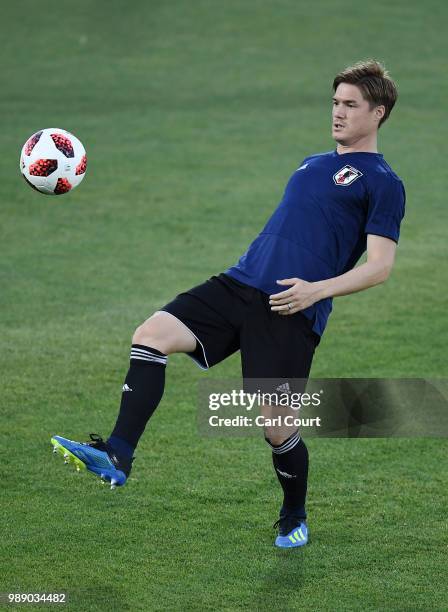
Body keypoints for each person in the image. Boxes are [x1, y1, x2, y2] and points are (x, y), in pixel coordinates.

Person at [51, 59, 405, 548]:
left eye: (350, 105)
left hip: (290, 307)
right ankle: (118, 454)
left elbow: (380, 266)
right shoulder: (313, 162)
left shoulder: (384, 182)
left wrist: (315, 291)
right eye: (335, 103)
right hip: (239, 285)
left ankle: (294, 515)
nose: (338, 113)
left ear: (378, 112)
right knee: (150, 335)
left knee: (276, 429)